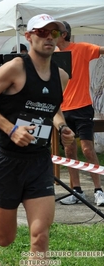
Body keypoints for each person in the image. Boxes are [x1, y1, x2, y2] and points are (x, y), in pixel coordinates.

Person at [0, 14, 75, 261]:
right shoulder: (15, 68)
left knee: (40, 237)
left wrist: (62, 126)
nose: (48, 37)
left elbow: (51, 108)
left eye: (53, 33)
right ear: (29, 36)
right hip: (8, 161)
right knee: (4, 237)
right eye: (41, 32)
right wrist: (11, 129)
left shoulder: (61, 76)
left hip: (39, 162)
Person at [56, 21, 104, 206]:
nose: (50, 35)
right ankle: (76, 191)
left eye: (55, 32)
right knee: (69, 150)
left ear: (64, 34)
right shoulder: (52, 55)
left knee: (87, 149)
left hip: (83, 107)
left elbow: (101, 49)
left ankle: (99, 190)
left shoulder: (82, 48)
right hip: (62, 110)